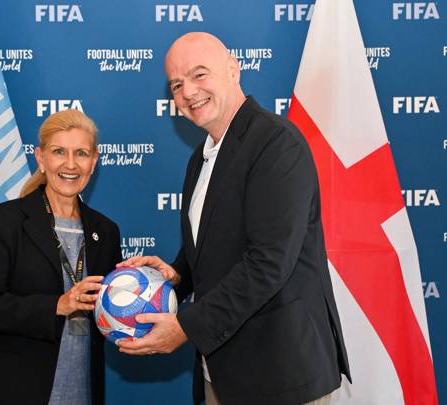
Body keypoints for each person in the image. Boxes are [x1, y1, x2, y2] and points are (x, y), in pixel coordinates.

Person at [118, 32, 351, 405]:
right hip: (223, 373)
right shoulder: (202, 156)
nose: (188, 92)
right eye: (177, 84)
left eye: (199, 75)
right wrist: (178, 274)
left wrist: (185, 327)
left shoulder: (276, 143)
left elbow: (268, 262)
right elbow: (220, 242)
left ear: (233, 69)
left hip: (280, 373)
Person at [0, 109, 121, 405]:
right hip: (15, 390)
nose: (70, 164)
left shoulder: (107, 231)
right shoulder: (5, 221)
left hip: (82, 391)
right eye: (59, 151)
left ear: (94, 161)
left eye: (82, 153)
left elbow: (109, 312)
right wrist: (58, 305)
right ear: (41, 158)